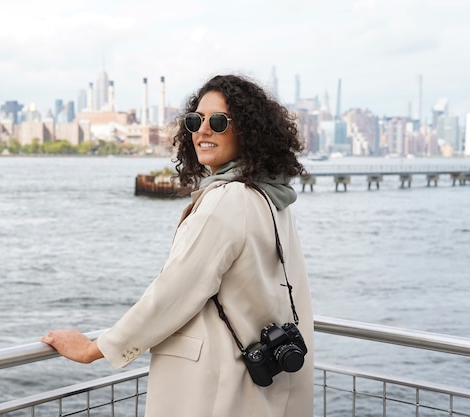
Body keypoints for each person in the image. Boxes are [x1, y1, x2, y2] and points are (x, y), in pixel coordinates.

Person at [41, 74, 314, 417]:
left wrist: (94, 349)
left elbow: (172, 292)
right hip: (252, 388)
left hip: (214, 388)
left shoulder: (227, 200)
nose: (202, 130)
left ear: (248, 131)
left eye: (218, 121)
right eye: (194, 121)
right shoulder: (271, 197)